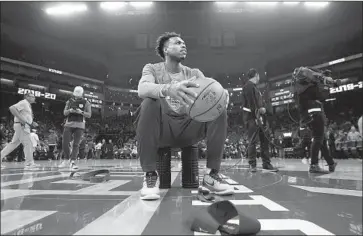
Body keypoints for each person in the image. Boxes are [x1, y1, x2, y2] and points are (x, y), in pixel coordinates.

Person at [136, 32, 233, 200]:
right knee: (148, 103)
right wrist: (167, 89)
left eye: (184, 43)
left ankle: (211, 175)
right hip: (162, 131)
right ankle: (150, 176)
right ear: (166, 49)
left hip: (189, 129)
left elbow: (210, 93)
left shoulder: (194, 72)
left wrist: (221, 95)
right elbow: (142, 88)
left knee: (217, 107)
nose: (183, 45)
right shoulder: (152, 68)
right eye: (178, 42)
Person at [293, 66, 341, 173]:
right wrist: (327, 84)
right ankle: (314, 165)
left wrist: (321, 75)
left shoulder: (299, 89)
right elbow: (322, 97)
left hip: (308, 116)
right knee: (318, 138)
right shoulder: (311, 87)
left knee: (321, 141)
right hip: (316, 114)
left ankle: (330, 163)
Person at [241, 68, 278, 173]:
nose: (259, 78)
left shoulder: (253, 87)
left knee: (264, 141)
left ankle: (266, 163)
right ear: (256, 75)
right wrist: (257, 115)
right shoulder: (249, 86)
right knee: (252, 141)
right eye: (258, 76)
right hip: (252, 118)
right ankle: (252, 164)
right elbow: (252, 103)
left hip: (258, 118)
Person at [1, 93, 39, 169]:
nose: (34, 98)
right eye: (33, 97)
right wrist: (22, 119)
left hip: (23, 126)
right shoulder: (24, 102)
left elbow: (25, 116)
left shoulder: (27, 104)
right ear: (27, 97)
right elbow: (12, 108)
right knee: (28, 143)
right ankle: (29, 163)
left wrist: (31, 122)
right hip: (22, 126)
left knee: (13, 144)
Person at [58, 86, 91, 170]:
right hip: (68, 124)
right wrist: (70, 111)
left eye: (78, 95)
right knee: (65, 142)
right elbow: (65, 113)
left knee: (76, 144)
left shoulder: (86, 102)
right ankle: (66, 160)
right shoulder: (69, 101)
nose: (77, 96)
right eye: (76, 94)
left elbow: (89, 115)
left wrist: (81, 112)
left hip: (80, 125)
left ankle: (73, 161)